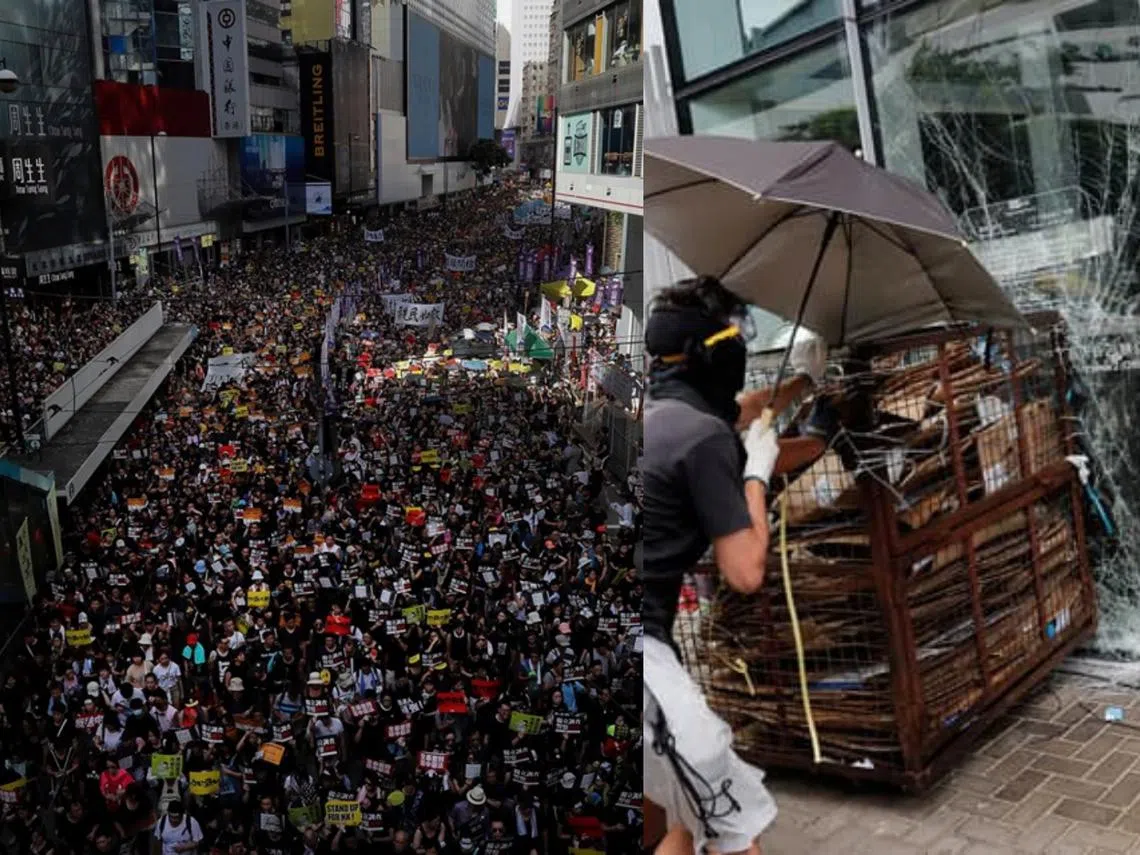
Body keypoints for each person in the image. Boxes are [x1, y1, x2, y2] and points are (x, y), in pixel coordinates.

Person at [641, 276, 827, 855]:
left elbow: (741, 411)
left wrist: (801, 383)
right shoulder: (703, 440)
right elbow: (745, 570)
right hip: (643, 661)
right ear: (714, 351)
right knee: (734, 827)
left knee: (683, 820)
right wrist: (758, 471)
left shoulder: (658, 411)